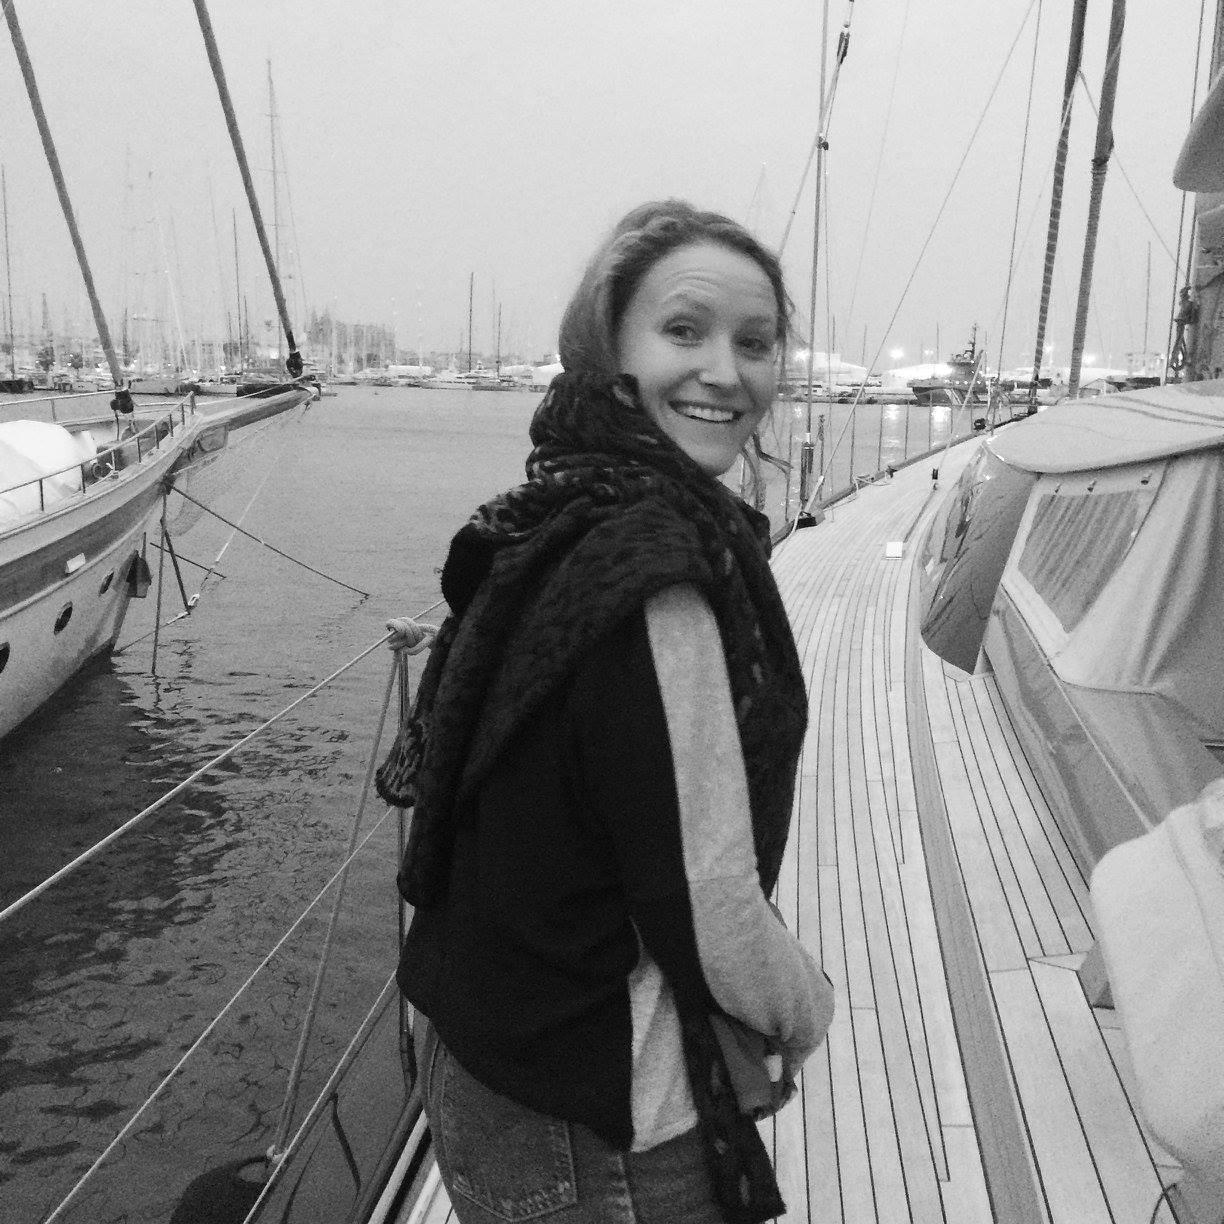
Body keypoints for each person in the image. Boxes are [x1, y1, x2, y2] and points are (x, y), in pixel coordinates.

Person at [377, 199, 834, 1224]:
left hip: (485, 1053)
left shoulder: (553, 513)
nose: (726, 371)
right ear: (611, 349)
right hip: (596, 1123)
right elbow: (712, 904)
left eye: (755, 342)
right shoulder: (657, 578)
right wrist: (807, 1011)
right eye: (685, 330)